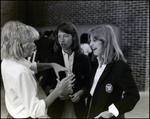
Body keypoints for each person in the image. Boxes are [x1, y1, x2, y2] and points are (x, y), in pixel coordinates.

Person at [1, 20, 75, 118]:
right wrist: (58, 90)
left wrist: (52, 65)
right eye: (31, 42)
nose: (34, 46)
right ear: (20, 45)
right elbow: (35, 110)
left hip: (12, 113)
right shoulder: (21, 72)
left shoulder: (8, 60)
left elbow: (32, 66)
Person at [86, 25, 140, 118]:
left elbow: (133, 96)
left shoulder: (120, 66)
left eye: (94, 40)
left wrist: (111, 111)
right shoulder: (94, 63)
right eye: (90, 41)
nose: (91, 44)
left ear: (105, 41)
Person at [41, 22, 91, 118]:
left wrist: (81, 93)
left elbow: (88, 83)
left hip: (77, 106)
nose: (62, 40)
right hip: (56, 106)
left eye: (66, 36)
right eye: (59, 37)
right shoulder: (52, 58)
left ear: (74, 37)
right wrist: (54, 92)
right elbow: (44, 82)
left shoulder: (84, 59)